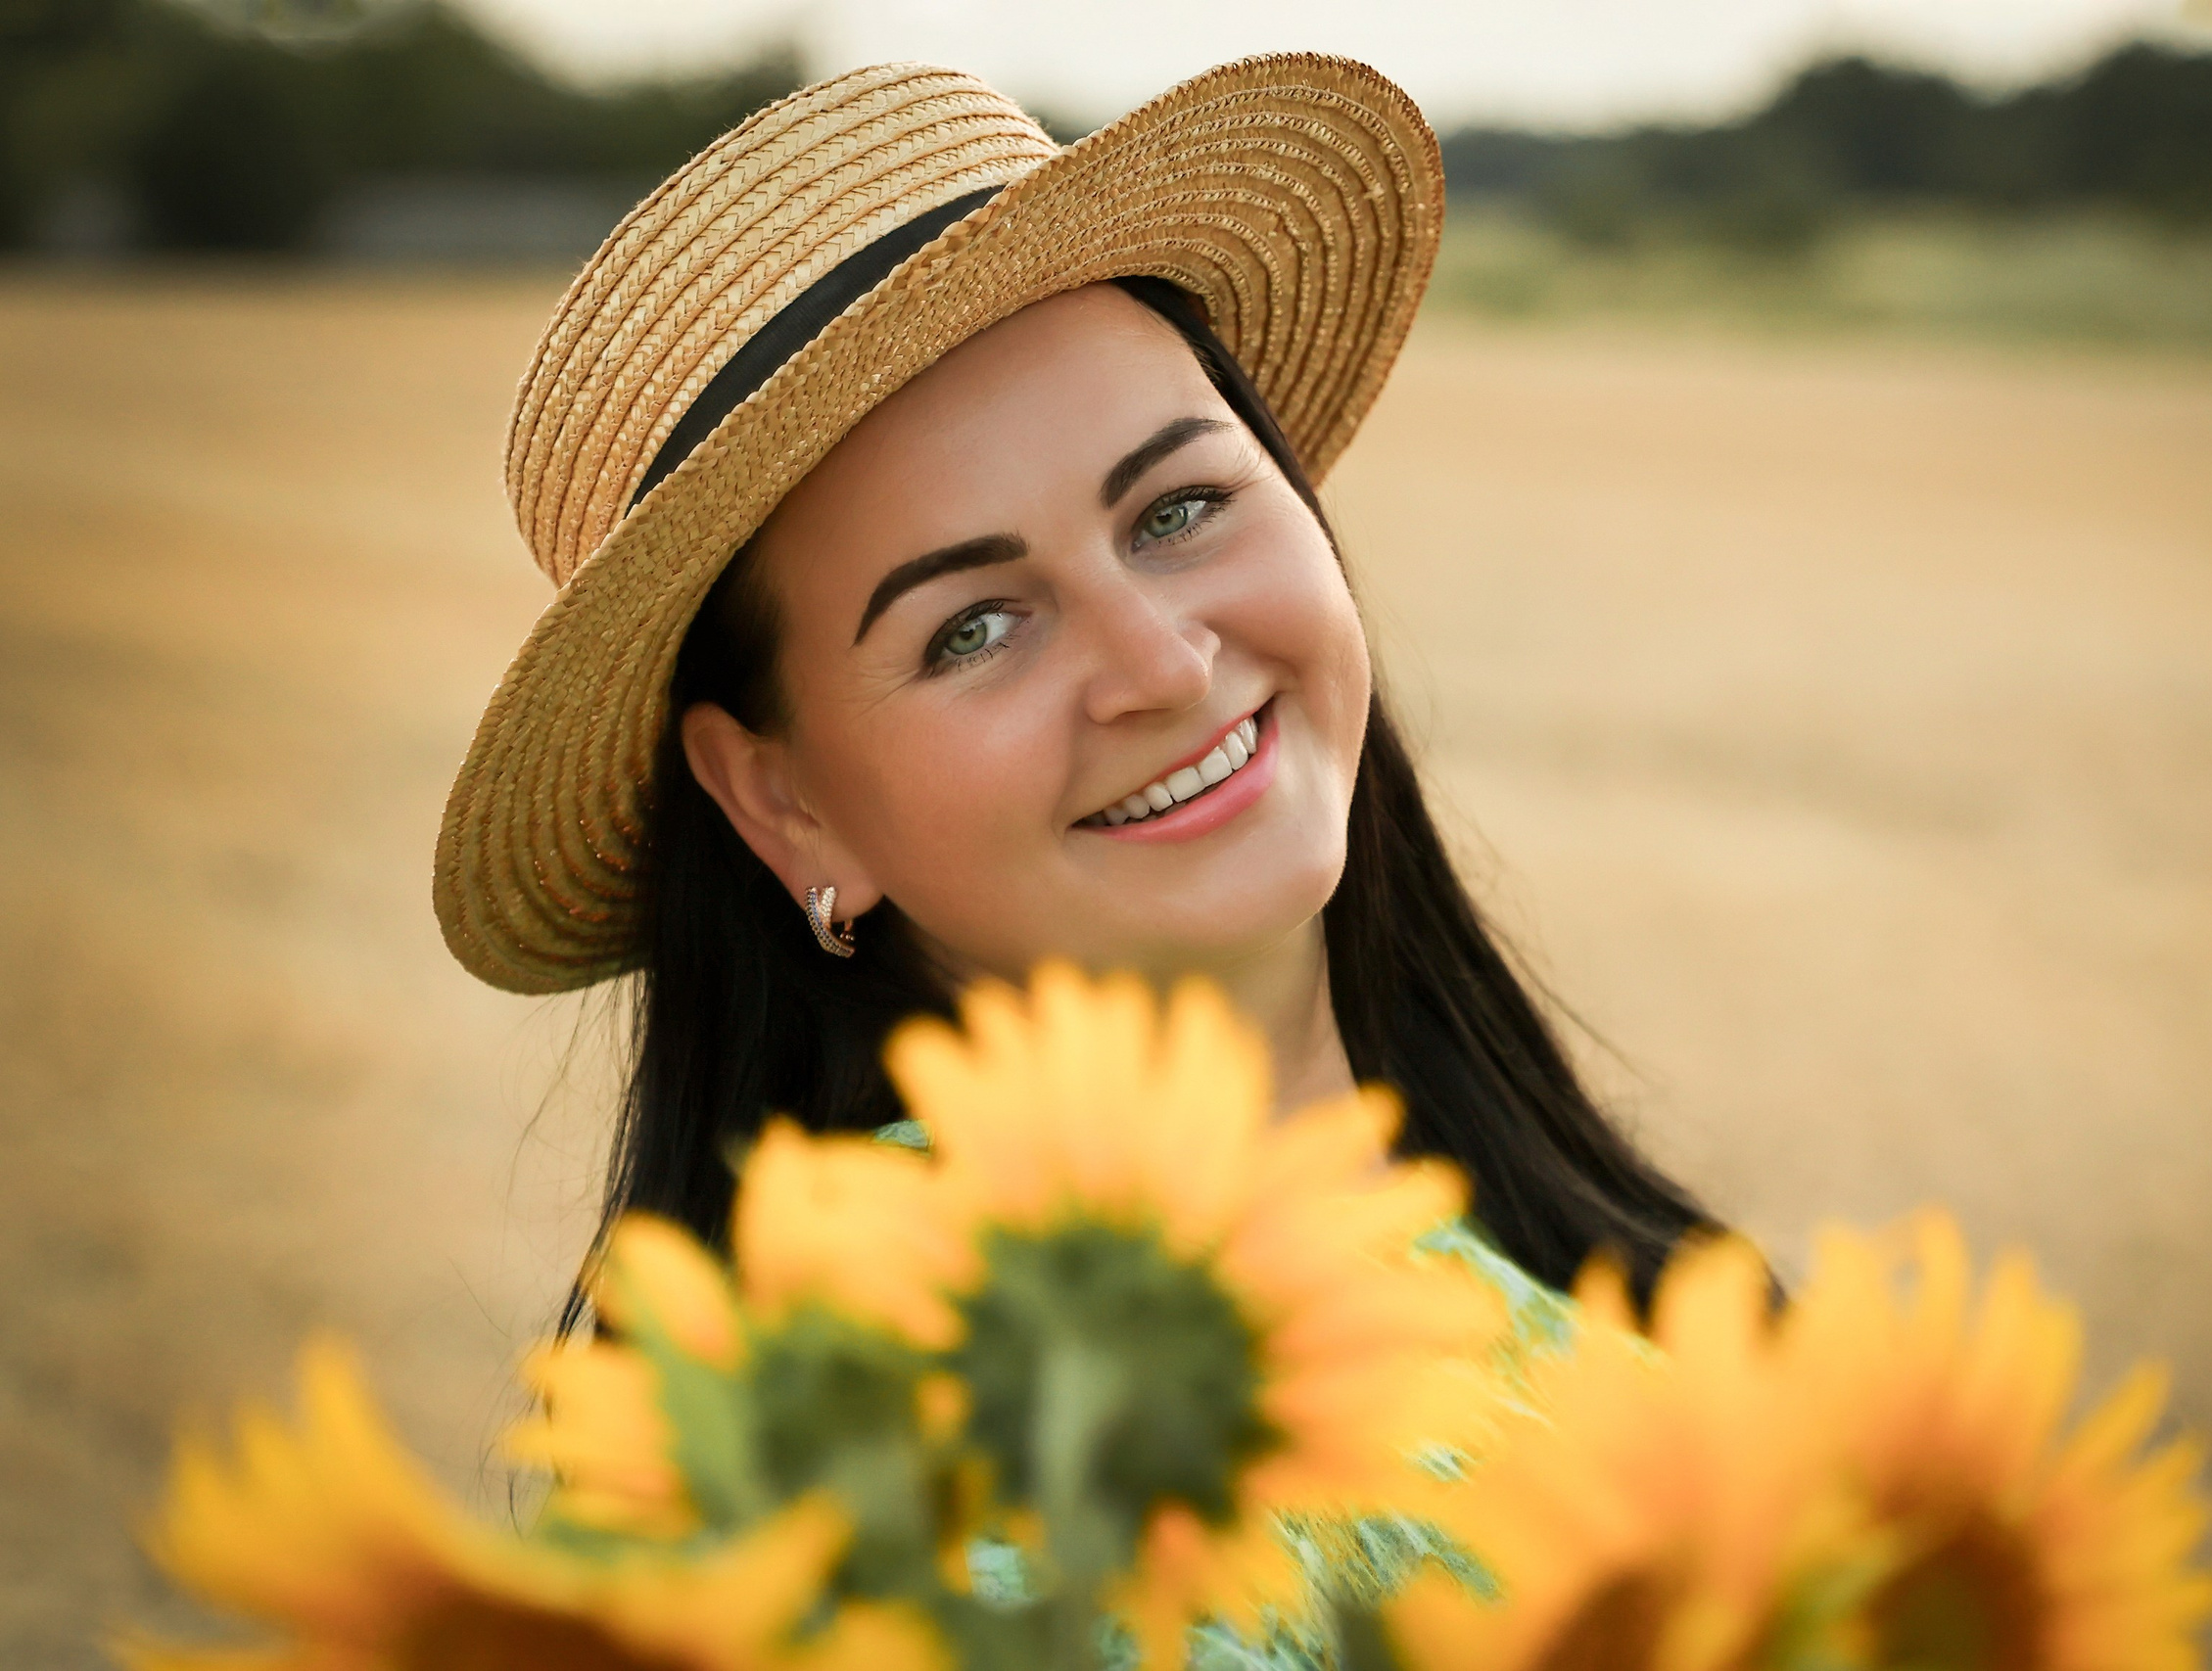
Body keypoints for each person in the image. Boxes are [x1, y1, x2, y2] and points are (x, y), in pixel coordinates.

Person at [434, 56, 1713, 1345]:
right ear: (787, 805)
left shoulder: (1552, 1239)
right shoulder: (933, 1422)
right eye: (973, 630)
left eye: (1179, 510)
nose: (1161, 666)